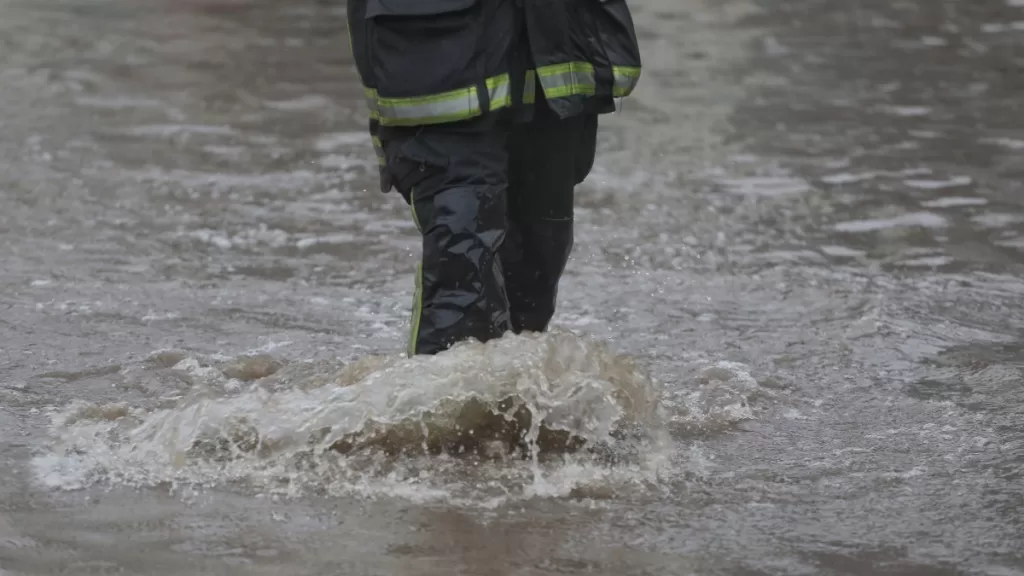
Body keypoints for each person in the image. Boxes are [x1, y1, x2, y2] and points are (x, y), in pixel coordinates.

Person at [346, 0, 642, 356]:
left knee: (533, 275)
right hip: (438, 55)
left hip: (555, 53)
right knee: (464, 274)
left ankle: (506, 405)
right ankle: (440, 404)